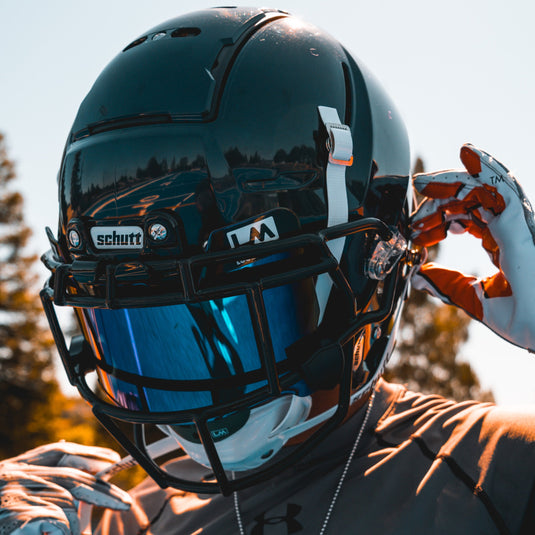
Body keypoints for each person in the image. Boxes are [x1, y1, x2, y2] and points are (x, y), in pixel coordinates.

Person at [1, 7, 534, 534]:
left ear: (370, 269)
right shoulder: (128, 518)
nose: (195, 410)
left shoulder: (502, 470)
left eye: (226, 314)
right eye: (139, 336)